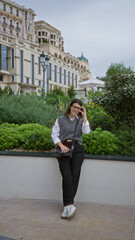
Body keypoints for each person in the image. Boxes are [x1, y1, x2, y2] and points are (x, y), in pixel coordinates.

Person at [51, 99, 90, 219]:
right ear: (70, 107)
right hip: (64, 149)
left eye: (78, 108)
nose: (75, 110)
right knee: (66, 176)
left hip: (77, 150)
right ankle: (69, 205)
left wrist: (85, 116)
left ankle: (68, 206)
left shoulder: (80, 121)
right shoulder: (60, 119)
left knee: (74, 177)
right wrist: (61, 146)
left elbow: (87, 131)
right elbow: (54, 134)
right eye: (74, 107)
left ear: (81, 110)